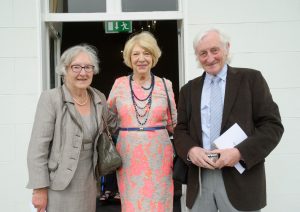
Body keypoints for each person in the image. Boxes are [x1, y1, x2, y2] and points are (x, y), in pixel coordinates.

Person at [174, 28, 284, 212]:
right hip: (201, 179)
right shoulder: (188, 90)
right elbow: (181, 130)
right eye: (203, 53)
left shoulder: (251, 79)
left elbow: (272, 126)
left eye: (214, 50)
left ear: (227, 48)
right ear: (197, 56)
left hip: (240, 178)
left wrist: (239, 153)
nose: (209, 58)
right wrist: (191, 150)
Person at [27, 44, 117, 212]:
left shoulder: (99, 97)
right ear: (64, 69)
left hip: (89, 182)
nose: (83, 73)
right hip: (58, 183)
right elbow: (38, 148)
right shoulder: (51, 99)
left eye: (88, 67)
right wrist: (39, 189)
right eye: (76, 67)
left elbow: (113, 125)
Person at [107, 31, 177, 211]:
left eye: (146, 53)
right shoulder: (119, 84)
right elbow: (107, 119)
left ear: (153, 56)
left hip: (159, 156)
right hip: (128, 156)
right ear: (129, 58)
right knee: (132, 204)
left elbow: (174, 123)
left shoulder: (165, 84)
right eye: (136, 54)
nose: (141, 59)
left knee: (159, 203)